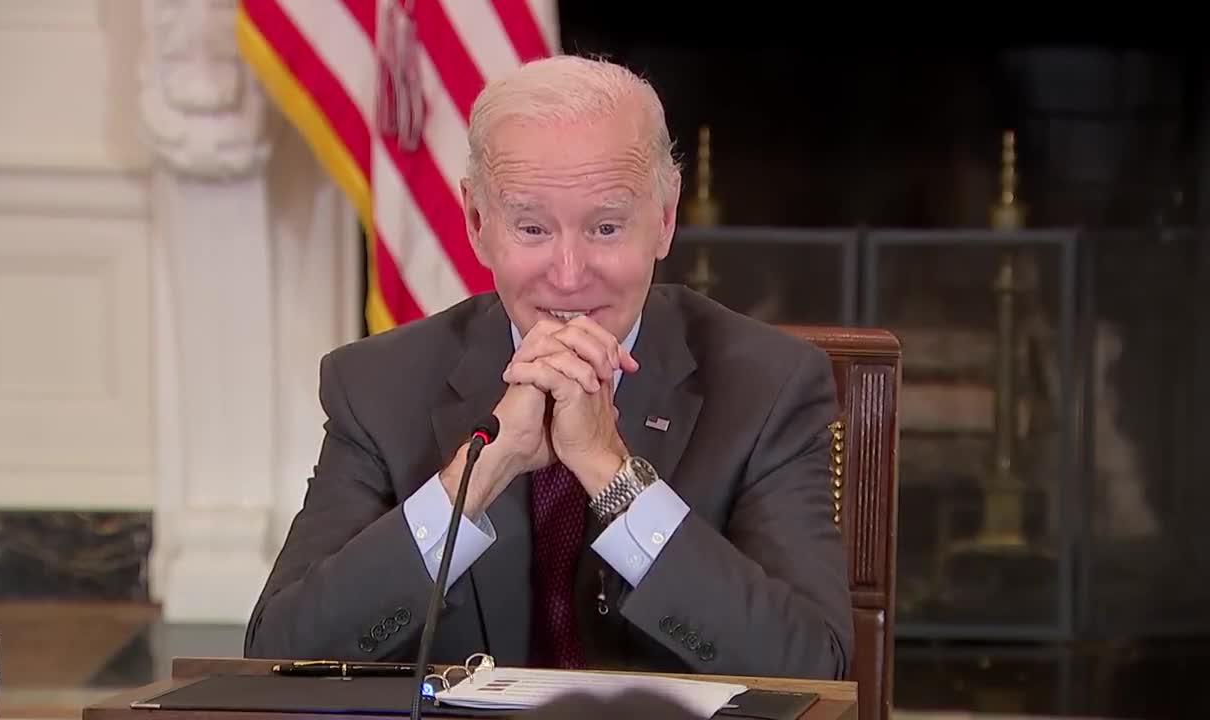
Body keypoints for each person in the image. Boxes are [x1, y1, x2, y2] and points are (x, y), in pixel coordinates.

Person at [244, 54, 853, 681]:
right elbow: (279, 654)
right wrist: (477, 477)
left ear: (665, 220)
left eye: (607, 227)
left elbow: (812, 666)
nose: (567, 276)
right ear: (478, 224)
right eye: (532, 228)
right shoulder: (375, 386)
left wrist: (611, 475)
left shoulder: (770, 386)